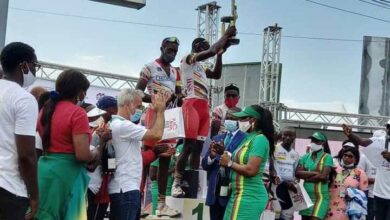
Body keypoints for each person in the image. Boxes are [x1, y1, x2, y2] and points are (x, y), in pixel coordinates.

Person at [172, 25, 237, 198]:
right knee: (188, 145)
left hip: (203, 107)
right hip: (191, 104)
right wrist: (224, 37)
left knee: (199, 146)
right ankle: (176, 182)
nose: (208, 49)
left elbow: (216, 74)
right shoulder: (188, 59)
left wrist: (221, 55)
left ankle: (192, 179)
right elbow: (212, 51)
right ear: (197, 47)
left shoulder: (201, 68)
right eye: (205, 46)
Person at [36, 69, 102, 219]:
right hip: (67, 176)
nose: (84, 96)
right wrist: (95, 152)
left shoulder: (44, 110)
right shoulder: (77, 113)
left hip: (44, 172)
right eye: (85, 92)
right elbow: (82, 154)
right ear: (79, 92)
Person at [135, 37, 182, 217]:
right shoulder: (149, 67)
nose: (172, 54)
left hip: (171, 118)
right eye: (169, 50)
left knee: (165, 159)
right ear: (162, 48)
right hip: (154, 115)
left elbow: (177, 94)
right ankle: (138, 203)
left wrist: (181, 98)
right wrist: (158, 99)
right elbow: (138, 93)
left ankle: (161, 205)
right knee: (147, 159)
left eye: (175, 52)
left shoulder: (176, 72)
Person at [108, 89, 168, 220]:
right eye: (139, 105)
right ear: (128, 104)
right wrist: (161, 111)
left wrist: (154, 152)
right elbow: (156, 134)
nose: (140, 109)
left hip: (125, 189)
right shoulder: (122, 126)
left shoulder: (118, 125)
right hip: (125, 189)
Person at [0, 42, 39, 219]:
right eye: (34, 65)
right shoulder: (24, 99)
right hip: (8, 189)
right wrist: (35, 195)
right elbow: (26, 156)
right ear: (23, 66)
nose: (35, 71)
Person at [218, 105, 274, 220]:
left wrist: (229, 163)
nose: (239, 121)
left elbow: (251, 170)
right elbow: (240, 160)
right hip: (239, 194)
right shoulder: (248, 138)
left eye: (242, 118)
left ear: (253, 120)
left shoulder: (260, 139)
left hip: (250, 196)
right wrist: (222, 152)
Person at [202, 108, 247, 220]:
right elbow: (205, 166)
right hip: (214, 194)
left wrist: (224, 153)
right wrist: (211, 156)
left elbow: (243, 162)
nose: (229, 120)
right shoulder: (217, 138)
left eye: (233, 118)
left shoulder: (245, 139)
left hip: (232, 193)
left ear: (239, 120)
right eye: (227, 118)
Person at [342, 123, 390, 220]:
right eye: (388, 127)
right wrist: (351, 135)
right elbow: (362, 141)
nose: (389, 129)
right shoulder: (382, 140)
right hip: (379, 193)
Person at [296, 131, 334, 220]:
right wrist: (316, 173)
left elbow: (323, 176)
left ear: (323, 143)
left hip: (320, 197)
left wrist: (306, 177)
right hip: (306, 197)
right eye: (312, 140)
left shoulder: (327, 157)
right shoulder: (305, 157)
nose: (313, 142)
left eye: (316, 141)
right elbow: (298, 173)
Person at [326, 146, 368, 220]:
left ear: (355, 160)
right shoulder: (334, 169)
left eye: (350, 156)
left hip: (349, 209)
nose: (346, 158)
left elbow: (364, 195)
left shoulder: (360, 173)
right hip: (330, 207)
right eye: (345, 155)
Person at [273, 127, 300, 220]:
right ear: (281, 136)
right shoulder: (274, 149)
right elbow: (271, 170)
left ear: (294, 137)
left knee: (288, 215)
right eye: (285, 135)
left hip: (289, 189)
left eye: (291, 135)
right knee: (274, 214)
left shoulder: (295, 154)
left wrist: (295, 182)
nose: (288, 137)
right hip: (275, 187)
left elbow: (295, 172)